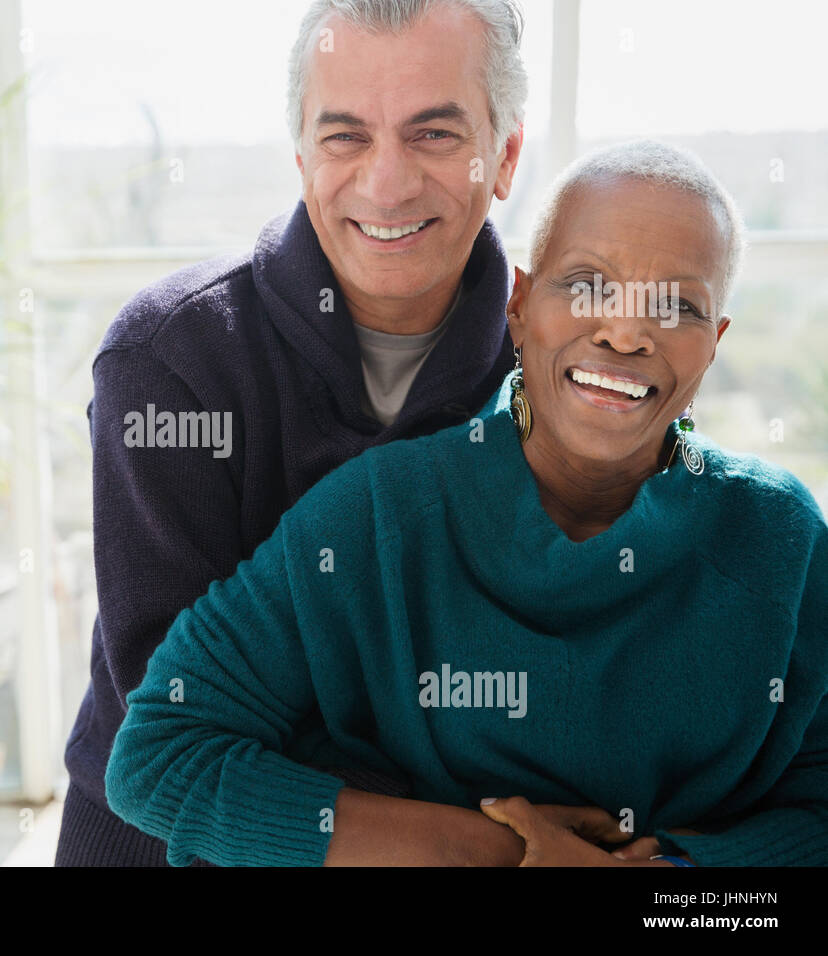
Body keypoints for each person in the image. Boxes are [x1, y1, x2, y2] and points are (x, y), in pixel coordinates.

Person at [104, 139, 828, 867]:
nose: (625, 331)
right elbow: (161, 754)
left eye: (676, 306)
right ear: (519, 307)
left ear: (713, 344)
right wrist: (499, 853)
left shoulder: (784, 542)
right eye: (586, 286)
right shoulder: (379, 514)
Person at [58, 0, 527, 867]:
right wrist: (481, 843)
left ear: (502, 157)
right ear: (302, 155)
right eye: (345, 136)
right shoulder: (169, 361)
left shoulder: (571, 370)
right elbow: (181, 730)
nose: (385, 184)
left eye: (432, 134)